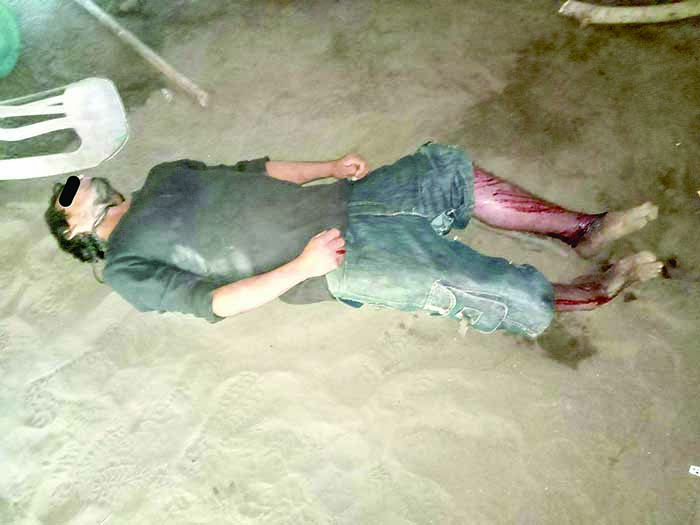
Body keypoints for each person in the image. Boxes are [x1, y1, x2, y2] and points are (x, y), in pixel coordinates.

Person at [44, 141, 662, 338]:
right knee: (499, 292)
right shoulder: (123, 264)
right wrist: (302, 266)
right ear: (74, 231)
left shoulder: (163, 174)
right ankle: (599, 288)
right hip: (340, 260)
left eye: (73, 178)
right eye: (65, 196)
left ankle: (581, 229)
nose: (75, 184)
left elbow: (255, 172)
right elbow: (212, 302)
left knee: (452, 170)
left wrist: (329, 168)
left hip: (351, 198)